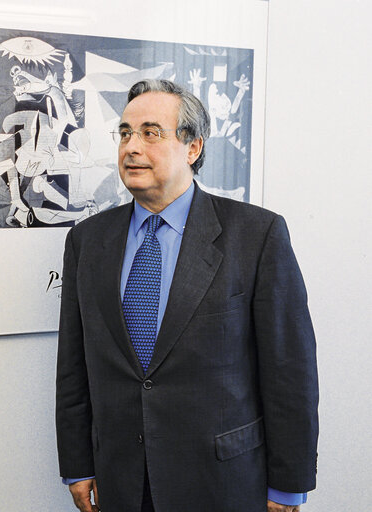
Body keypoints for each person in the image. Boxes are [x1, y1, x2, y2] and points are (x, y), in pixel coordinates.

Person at [55, 79, 318, 512]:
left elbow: (289, 371)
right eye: (124, 133)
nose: (131, 147)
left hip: (224, 482)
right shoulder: (88, 241)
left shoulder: (257, 235)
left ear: (192, 147)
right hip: (121, 480)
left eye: (150, 133)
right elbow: (73, 364)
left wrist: (288, 484)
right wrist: (78, 465)